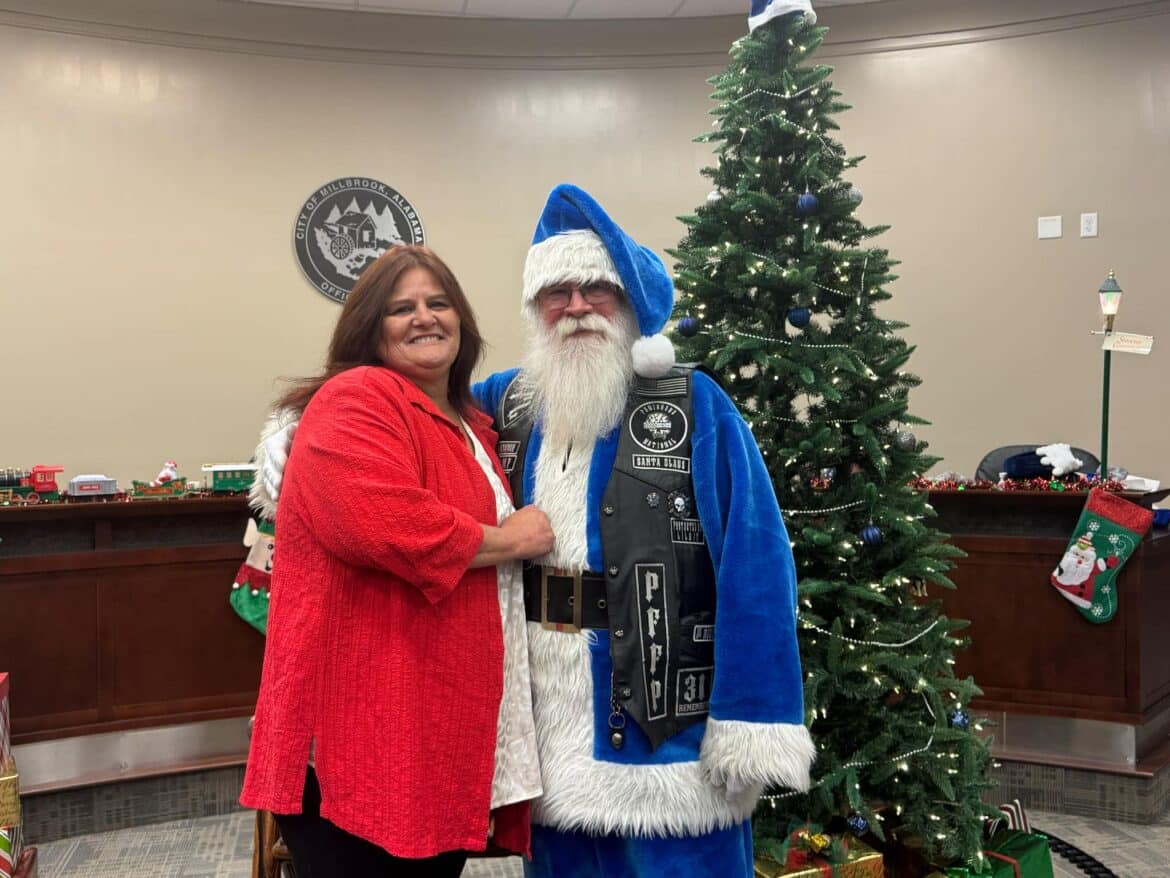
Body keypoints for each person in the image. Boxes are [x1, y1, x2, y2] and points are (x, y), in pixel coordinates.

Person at [256, 186, 815, 876]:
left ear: (626, 300)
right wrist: (293, 430)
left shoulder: (696, 405)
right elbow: (400, 411)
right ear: (535, 307)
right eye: (557, 293)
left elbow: (755, 561)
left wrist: (752, 715)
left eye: (594, 289)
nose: (576, 307)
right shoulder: (508, 402)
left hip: (667, 730)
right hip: (547, 731)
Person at [240, 244, 553, 877]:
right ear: (369, 327)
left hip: (427, 728)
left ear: (462, 320)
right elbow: (384, 525)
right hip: (361, 735)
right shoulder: (357, 397)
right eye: (401, 308)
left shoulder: (468, 422)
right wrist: (513, 540)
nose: (424, 318)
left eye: (438, 303)